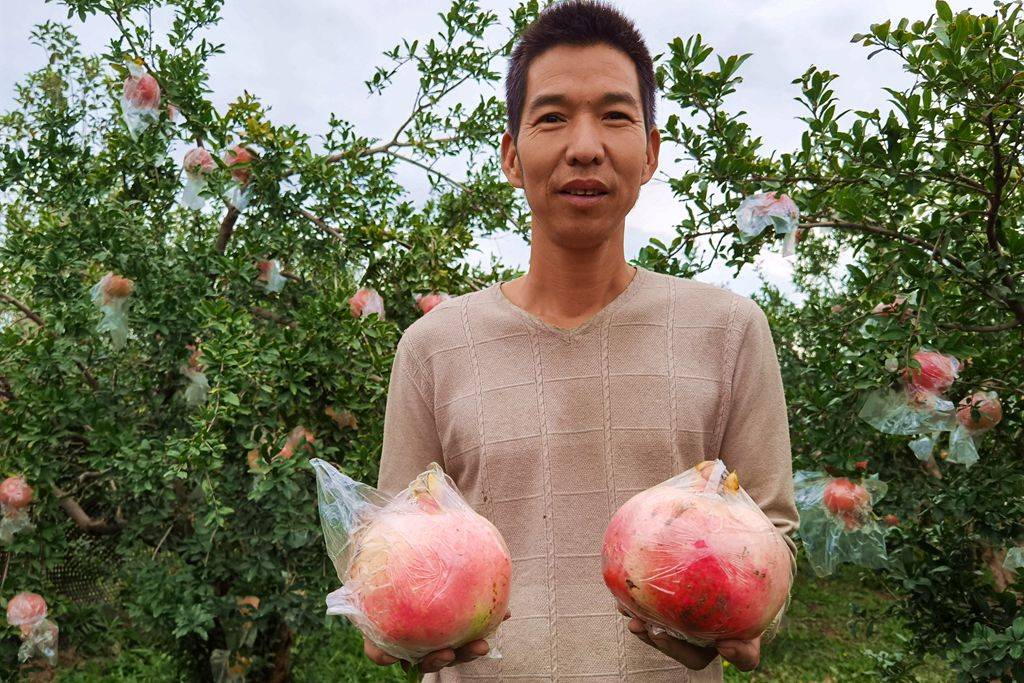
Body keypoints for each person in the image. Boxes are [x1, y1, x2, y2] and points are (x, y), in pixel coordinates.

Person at [369, 1, 799, 680]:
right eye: (552, 116)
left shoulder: (729, 330)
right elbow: (394, 549)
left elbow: (772, 534)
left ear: (651, 151)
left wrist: (750, 614)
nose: (585, 145)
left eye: (615, 115)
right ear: (512, 156)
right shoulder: (433, 346)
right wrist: (391, 626)